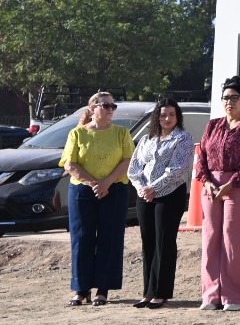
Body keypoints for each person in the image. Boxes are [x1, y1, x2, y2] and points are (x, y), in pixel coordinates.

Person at [58, 91, 136, 307]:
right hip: (82, 191)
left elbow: (127, 160)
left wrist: (106, 183)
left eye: (113, 106)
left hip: (114, 190)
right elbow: (70, 163)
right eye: (106, 105)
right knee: (82, 238)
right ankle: (81, 289)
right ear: (93, 108)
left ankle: (103, 289)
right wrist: (94, 183)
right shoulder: (77, 133)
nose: (111, 109)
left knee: (109, 238)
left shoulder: (121, 133)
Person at [194, 76, 240, 311]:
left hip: (239, 186)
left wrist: (231, 184)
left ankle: (232, 296)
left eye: (234, 98)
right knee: (210, 239)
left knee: (233, 241)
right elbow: (201, 156)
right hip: (210, 186)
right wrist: (206, 181)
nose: (229, 102)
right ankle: (210, 295)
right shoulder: (213, 125)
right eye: (225, 98)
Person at [127, 98, 195, 308]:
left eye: (172, 115)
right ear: (157, 117)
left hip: (170, 194)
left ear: (178, 117)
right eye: (163, 115)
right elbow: (134, 168)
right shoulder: (147, 139)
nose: (167, 119)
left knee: (164, 242)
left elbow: (177, 169)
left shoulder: (182, 138)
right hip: (144, 196)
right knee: (148, 242)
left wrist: (153, 188)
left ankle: (161, 292)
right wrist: (142, 188)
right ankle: (148, 292)